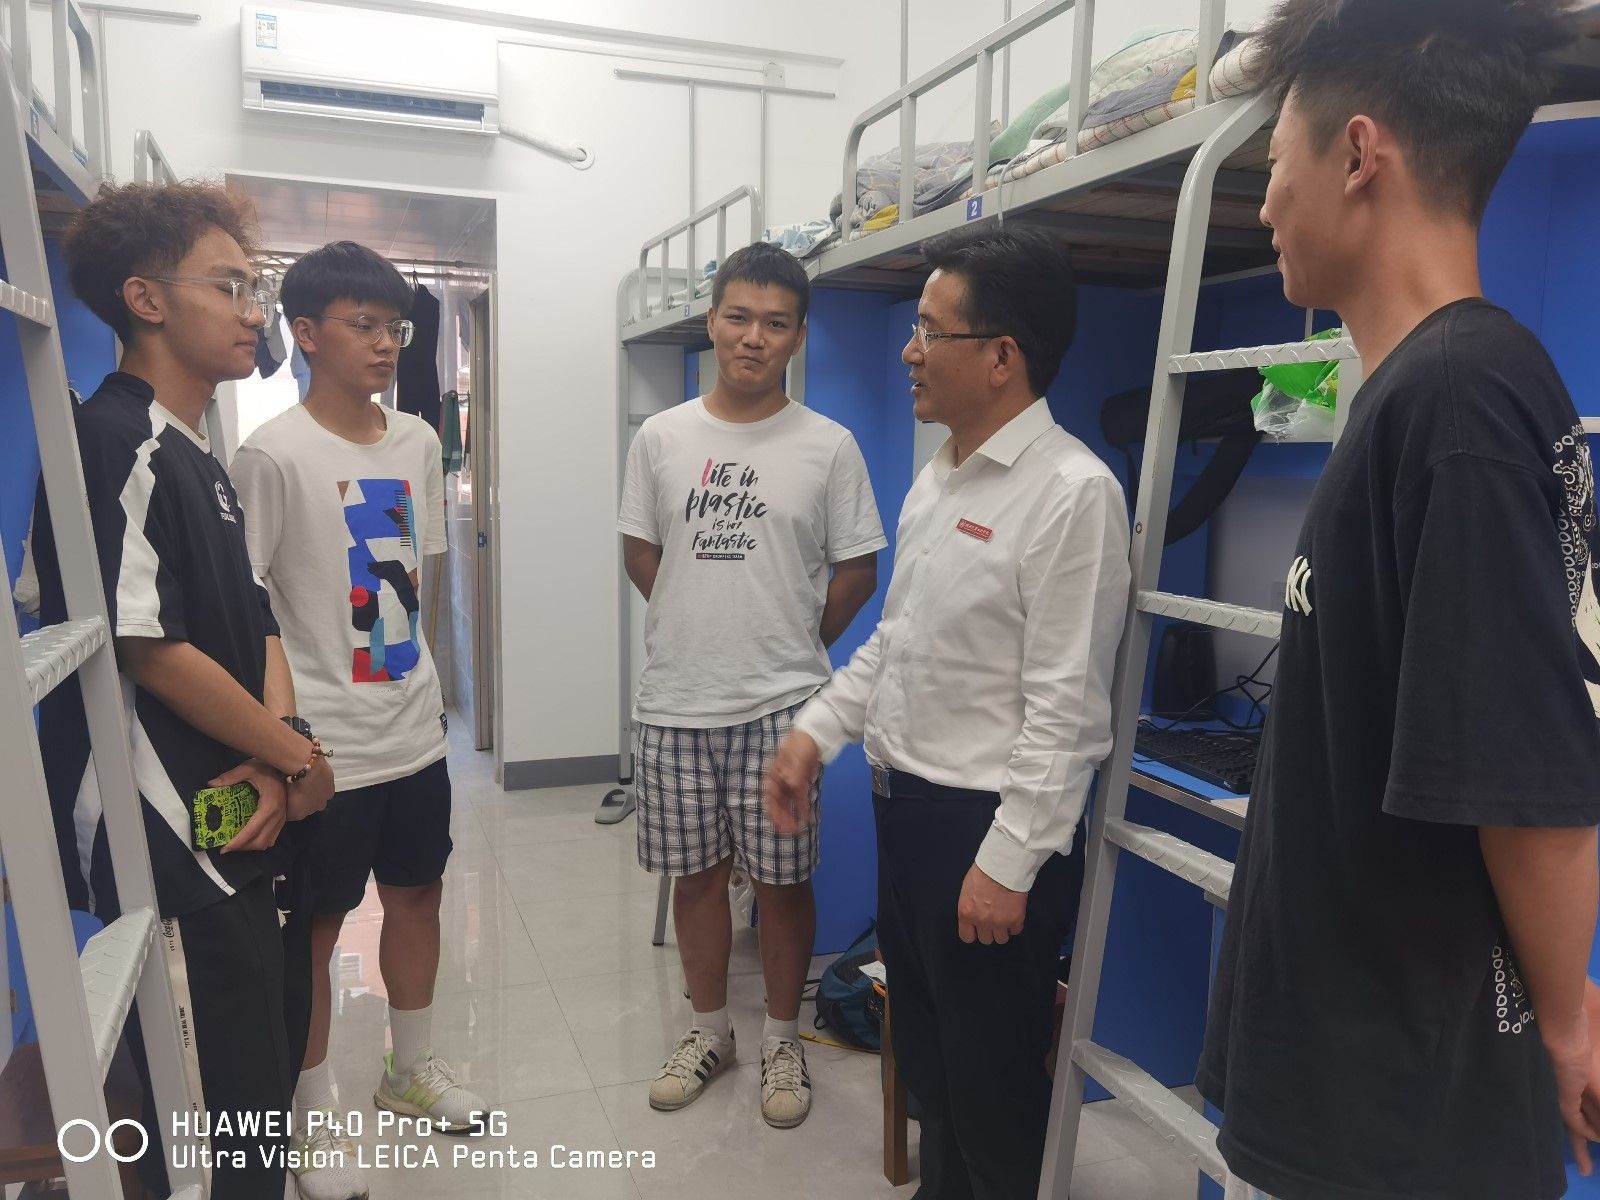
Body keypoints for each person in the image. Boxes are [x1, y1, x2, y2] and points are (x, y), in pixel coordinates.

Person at [1195, 3, 1600, 1199]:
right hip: (1367, 1070)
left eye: (1277, 162)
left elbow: (1529, 785)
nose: (1263, 205)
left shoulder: (1459, 400)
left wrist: (1566, 1022)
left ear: (1358, 155)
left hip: (1408, 1106)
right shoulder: (1417, 390)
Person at [765, 224, 1130, 1199]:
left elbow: (1067, 713)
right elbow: (897, 643)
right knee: (932, 1075)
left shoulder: (1072, 495)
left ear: (1001, 357)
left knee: (995, 1099)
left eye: (930, 330)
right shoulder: (939, 479)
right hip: (910, 821)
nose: (908, 351)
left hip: (987, 835)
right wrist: (815, 733)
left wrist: (1008, 864)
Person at [33, 181, 334, 1199]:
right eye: (230, 286)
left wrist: (282, 755)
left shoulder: (193, 450)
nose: (254, 311)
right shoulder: (114, 441)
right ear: (147, 298)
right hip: (164, 823)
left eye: (255, 288)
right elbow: (145, 648)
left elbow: (255, 622)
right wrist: (295, 760)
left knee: (257, 1078)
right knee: (205, 1122)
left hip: (232, 799)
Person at [231, 241, 489, 1200]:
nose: (385, 344)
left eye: (397, 328)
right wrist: (284, 745)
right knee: (316, 928)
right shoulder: (271, 454)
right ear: (304, 333)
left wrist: (426, 695)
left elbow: (412, 582)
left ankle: (408, 1070)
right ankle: (308, 1117)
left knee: (418, 896)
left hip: (414, 733)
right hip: (324, 747)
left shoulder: (417, 441)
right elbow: (248, 608)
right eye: (364, 325)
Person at [618, 241, 886, 1128]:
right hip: (676, 702)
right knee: (695, 879)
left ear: (798, 336)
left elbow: (858, 568)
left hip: (783, 709)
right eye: (738, 317)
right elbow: (641, 550)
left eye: (775, 323)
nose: (753, 337)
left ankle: (778, 1038)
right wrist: (700, 621)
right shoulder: (661, 438)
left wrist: (792, 638)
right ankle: (709, 1033)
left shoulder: (828, 446)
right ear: (712, 321)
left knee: (781, 882)